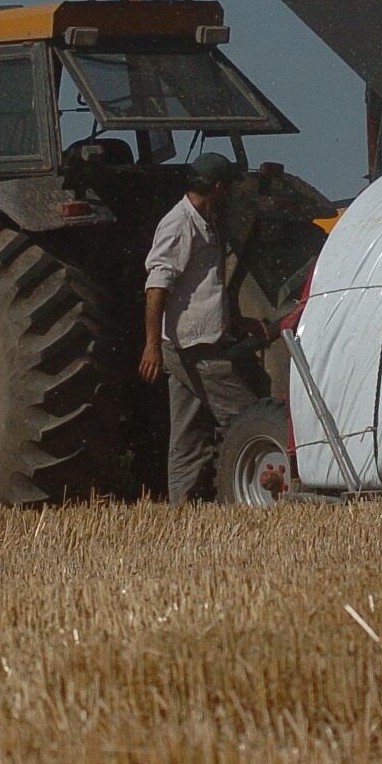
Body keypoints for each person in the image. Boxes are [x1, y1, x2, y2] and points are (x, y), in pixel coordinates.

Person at [139, 150, 265, 502]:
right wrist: (152, 344)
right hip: (192, 346)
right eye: (228, 188)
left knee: (188, 432)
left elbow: (199, 289)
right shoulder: (178, 224)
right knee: (247, 416)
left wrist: (236, 320)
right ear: (219, 187)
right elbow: (157, 285)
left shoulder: (203, 220)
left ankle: (183, 510)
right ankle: (260, 493)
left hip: (191, 341)